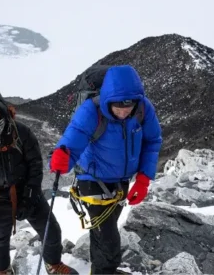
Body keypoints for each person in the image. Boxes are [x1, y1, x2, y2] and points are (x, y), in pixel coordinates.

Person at [49, 65, 163, 275]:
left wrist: (143, 179)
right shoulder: (92, 110)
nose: (123, 112)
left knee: (103, 230)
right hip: (92, 179)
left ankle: (99, 267)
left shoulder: (143, 109)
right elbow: (75, 136)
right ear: (106, 100)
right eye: (118, 108)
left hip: (121, 179)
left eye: (127, 108)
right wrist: (63, 155)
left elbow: (152, 141)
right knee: (108, 239)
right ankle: (104, 270)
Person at [0, 89, 78, 275]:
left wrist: (30, 195)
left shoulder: (20, 131)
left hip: (26, 190)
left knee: (51, 229)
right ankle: (3, 271)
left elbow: (35, 164)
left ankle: (53, 264)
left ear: (4, 110)